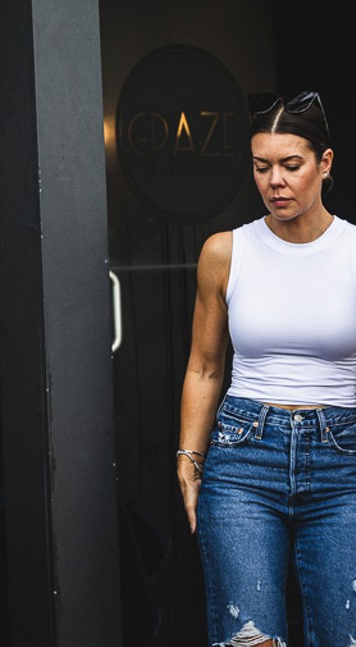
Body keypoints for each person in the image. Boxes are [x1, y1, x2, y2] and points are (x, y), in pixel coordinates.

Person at [177, 90, 356, 647]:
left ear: (324, 165)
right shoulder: (225, 252)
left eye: (290, 165)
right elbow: (205, 367)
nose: (274, 180)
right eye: (261, 166)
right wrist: (188, 455)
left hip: (344, 462)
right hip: (243, 459)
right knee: (249, 639)